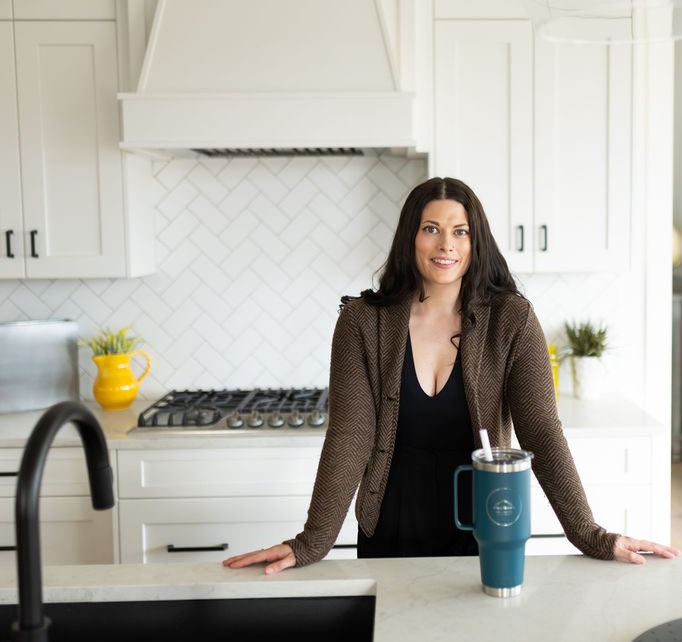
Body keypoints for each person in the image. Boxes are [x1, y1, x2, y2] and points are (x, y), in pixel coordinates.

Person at [224, 177, 679, 574]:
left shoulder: (512, 319)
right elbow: (350, 434)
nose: (447, 245)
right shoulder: (362, 322)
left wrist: (590, 535)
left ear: (475, 241)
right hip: (391, 520)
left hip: (485, 522)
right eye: (432, 229)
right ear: (410, 238)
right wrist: (311, 543)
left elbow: (540, 427)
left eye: (460, 231)